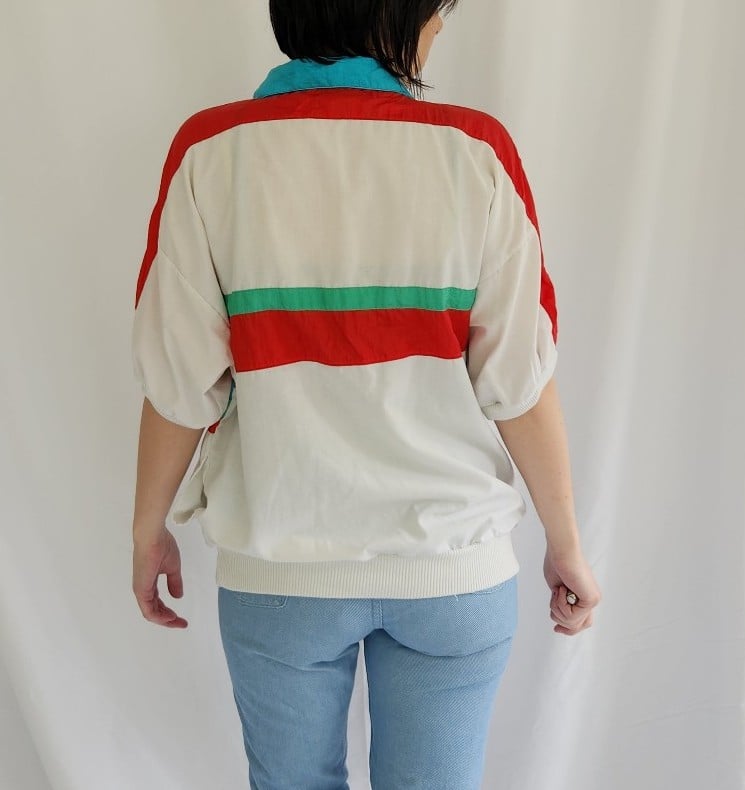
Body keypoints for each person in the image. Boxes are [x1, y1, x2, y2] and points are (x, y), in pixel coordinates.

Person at [130, 1, 602, 787]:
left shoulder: (210, 154)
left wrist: (148, 531)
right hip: (454, 570)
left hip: (280, 574)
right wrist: (567, 544)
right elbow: (519, 381)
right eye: (435, 11)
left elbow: (180, 384)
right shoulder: (474, 152)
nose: (439, 29)